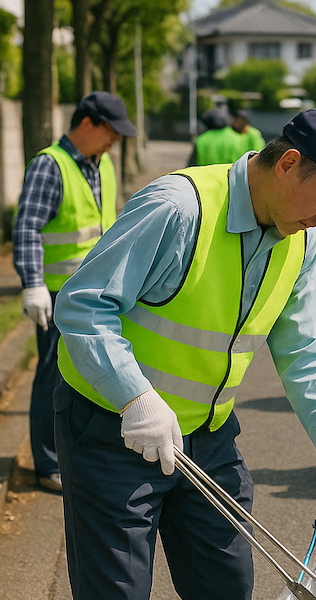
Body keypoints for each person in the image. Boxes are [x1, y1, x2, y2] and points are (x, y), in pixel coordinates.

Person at [52, 108, 316, 599]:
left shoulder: (300, 242)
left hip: (207, 438)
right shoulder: (178, 208)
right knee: (114, 590)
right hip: (111, 430)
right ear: (289, 163)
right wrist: (134, 397)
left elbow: (307, 348)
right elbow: (82, 306)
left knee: (225, 585)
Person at [12, 90, 136, 493]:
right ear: (86, 123)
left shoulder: (103, 165)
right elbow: (28, 226)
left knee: (93, 374)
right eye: (111, 131)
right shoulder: (52, 165)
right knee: (51, 376)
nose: (115, 140)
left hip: (98, 293)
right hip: (57, 295)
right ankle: (47, 464)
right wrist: (32, 284)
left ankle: (78, 453)